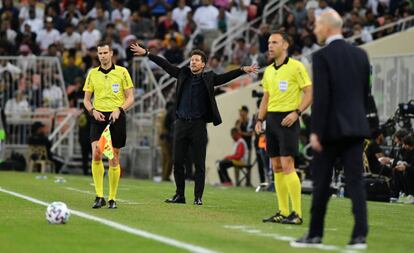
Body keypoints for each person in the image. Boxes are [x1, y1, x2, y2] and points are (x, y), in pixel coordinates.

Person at [130, 42, 258, 205]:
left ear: (203, 64)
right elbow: (165, 64)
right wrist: (147, 53)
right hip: (181, 124)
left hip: (198, 125)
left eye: (197, 60)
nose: (193, 62)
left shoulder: (209, 78)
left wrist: (242, 70)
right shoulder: (182, 73)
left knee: (199, 163)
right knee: (177, 161)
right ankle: (180, 195)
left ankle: (198, 197)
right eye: (192, 60)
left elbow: (225, 77)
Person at [291, 10, 371, 249]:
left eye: (316, 25)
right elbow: (364, 95)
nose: (314, 29)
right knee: (356, 182)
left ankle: (315, 234)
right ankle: (359, 236)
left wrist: (315, 132)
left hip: (330, 131)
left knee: (322, 184)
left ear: (326, 27)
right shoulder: (361, 54)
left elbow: (322, 97)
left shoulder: (322, 56)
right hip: (356, 128)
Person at [255, 31, 312, 225]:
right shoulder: (269, 70)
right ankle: (283, 211)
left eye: (275, 42)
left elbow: (310, 92)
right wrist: (259, 119)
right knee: (276, 166)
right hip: (271, 120)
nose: (270, 46)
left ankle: (297, 213)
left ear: (285, 45)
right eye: (269, 42)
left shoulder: (297, 67)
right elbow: (266, 97)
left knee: (288, 164)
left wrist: (297, 112)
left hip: (289, 118)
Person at [83, 41, 134, 209]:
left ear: (111, 53)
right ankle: (99, 196)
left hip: (116, 116)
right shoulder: (92, 74)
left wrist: (119, 109)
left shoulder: (122, 72)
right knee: (97, 153)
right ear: (97, 55)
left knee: (114, 156)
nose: (103, 56)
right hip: (98, 117)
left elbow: (130, 97)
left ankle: (112, 198)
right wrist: (92, 111)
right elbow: (86, 99)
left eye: (105, 53)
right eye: (100, 53)